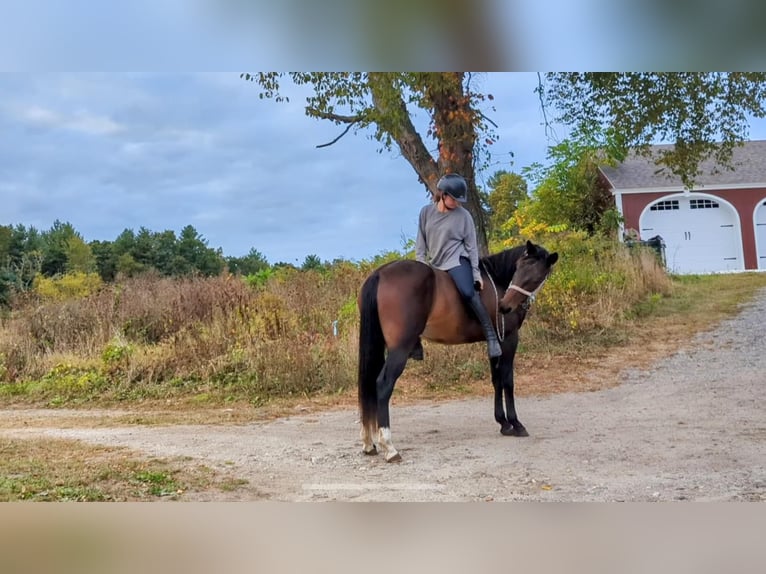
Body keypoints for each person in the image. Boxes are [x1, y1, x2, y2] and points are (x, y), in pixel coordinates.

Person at [415, 173, 502, 359]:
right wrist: (421, 268)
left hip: (456, 260)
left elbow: (472, 248)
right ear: (443, 194)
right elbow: (420, 244)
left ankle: (491, 336)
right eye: (454, 199)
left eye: (459, 199)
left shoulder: (464, 217)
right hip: (434, 264)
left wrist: (476, 275)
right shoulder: (425, 213)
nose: (457, 203)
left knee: (468, 292)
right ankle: (414, 341)